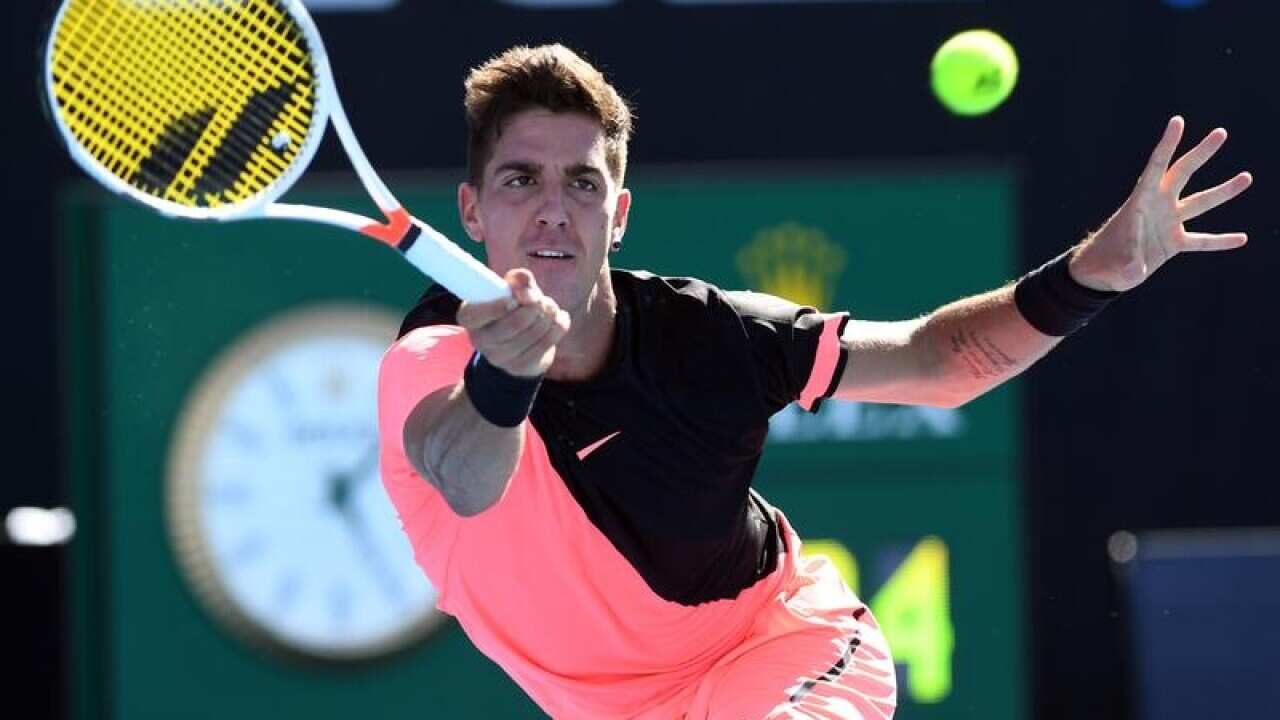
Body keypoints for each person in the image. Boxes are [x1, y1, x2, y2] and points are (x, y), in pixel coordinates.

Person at [376, 44, 1252, 719]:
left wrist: (1091, 273)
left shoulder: (711, 335)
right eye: (520, 180)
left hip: (779, 648)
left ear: (622, 213)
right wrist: (507, 372)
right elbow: (464, 476)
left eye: (584, 182)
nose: (554, 208)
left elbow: (937, 363)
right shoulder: (429, 360)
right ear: (471, 209)